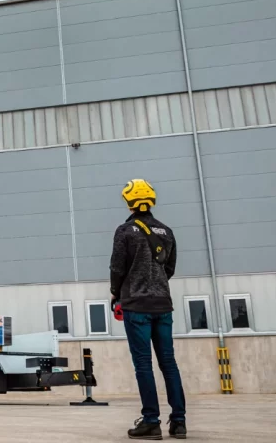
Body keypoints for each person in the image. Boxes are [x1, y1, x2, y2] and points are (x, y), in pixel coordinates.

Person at [110, 179, 187, 440]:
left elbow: (117, 268)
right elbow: (170, 269)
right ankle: (179, 422)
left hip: (136, 306)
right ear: (151, 200)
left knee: (143, 364)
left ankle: (151, 421)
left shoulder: (125, 231)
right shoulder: (167, 231)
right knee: (169, 363)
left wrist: (116, 293)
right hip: (163, 304)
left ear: (129, 202)